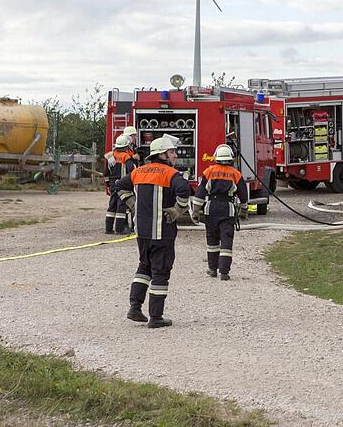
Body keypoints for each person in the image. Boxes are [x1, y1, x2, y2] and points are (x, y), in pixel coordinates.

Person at [114, 134, 191, 328]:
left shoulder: (138, 171)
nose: (175, 155)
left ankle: (135, 307)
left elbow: (119, 186)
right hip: (162, 231)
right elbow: (184, 190)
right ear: (162, 155)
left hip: (142, 231)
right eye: (171, 152)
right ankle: (156, 317)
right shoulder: (171, 174)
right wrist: (177, 210)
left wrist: (133, 204)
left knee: (144, 267)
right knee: (161, 271)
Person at [190, 144, 249, 280]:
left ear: (216, 157)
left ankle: (212, 269)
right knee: (226, 240)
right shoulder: (236, 174)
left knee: (212, 240)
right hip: (227, 209)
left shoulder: (208, 172)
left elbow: (200, 193)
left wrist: (196, 212)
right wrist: (244, 210)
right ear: (230, 158)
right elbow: (243, 194)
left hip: (211, 208)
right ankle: (224, 272)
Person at [104, 134, 137, 234]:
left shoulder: (109, 156)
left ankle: (108, 229)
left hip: (113, 184)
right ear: (126, 146)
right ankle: (120, 229)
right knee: (121, 206)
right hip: (122, 185)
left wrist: (108, 185)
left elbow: (106, 173)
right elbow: (132, 170)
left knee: (112, 205)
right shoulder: (126, 156)